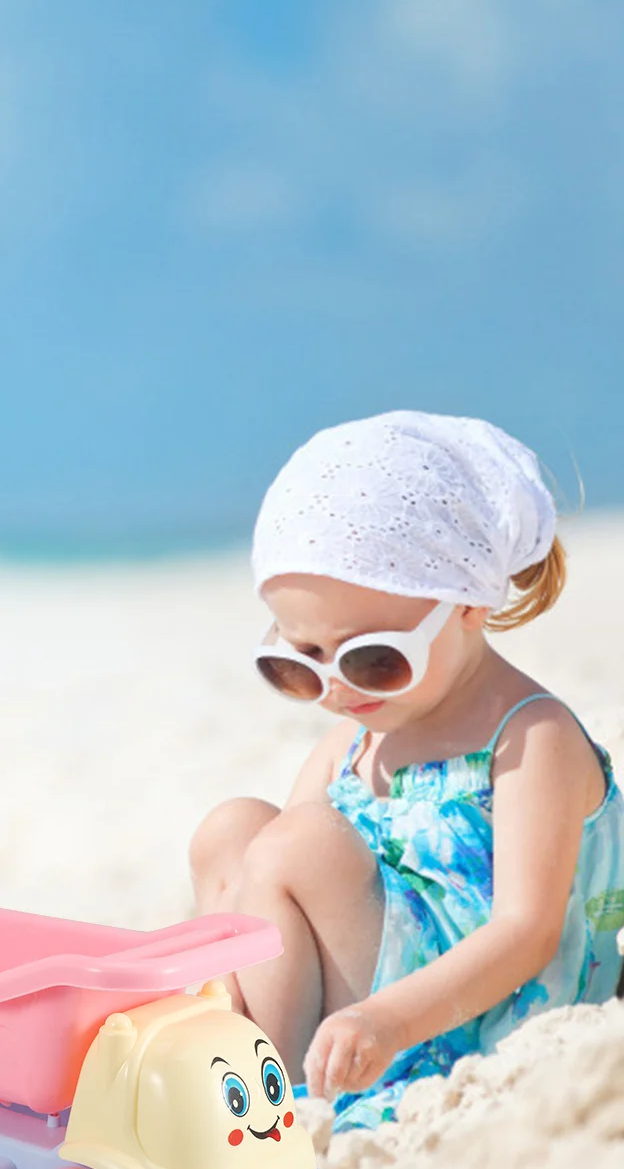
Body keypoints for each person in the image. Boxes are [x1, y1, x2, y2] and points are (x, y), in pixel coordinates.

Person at [190, 410, 624, 1132]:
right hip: (350, 1014)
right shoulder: (351, 739)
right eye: (297, 664)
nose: (337, 687)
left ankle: (258, 1100)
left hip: (453, 1018)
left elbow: (527, 932)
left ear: (468, 605)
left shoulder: (529, 737)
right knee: (232, 828)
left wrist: (387, 1021)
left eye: (372, 658)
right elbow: (266, 882)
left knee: (300, 845)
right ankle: (231, 1039)